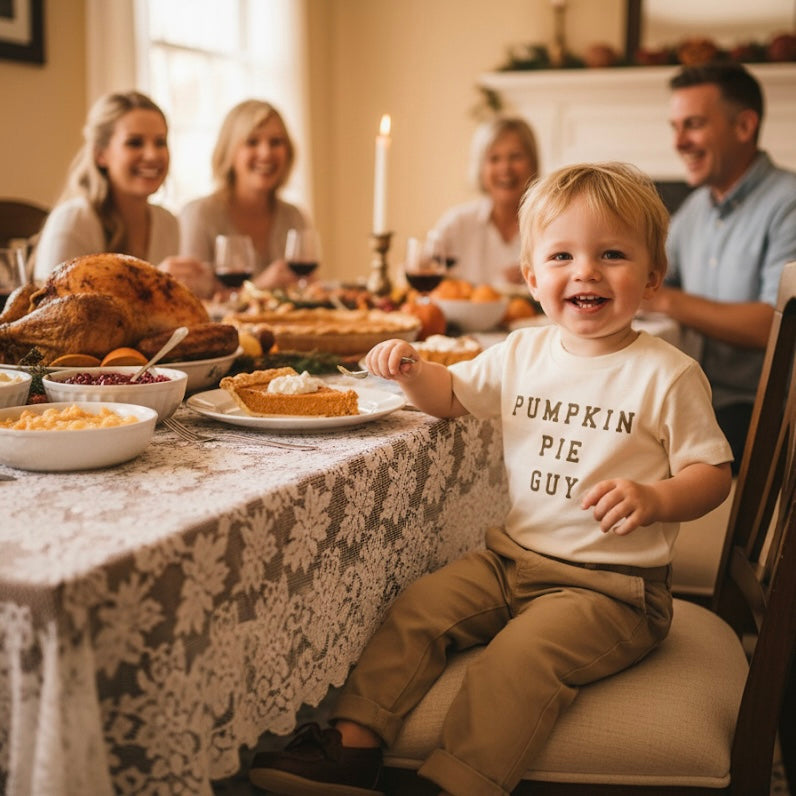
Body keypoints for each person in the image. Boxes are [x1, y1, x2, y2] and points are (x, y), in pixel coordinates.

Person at [248, 163, 733, 796]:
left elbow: (714, 474)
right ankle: (354, 746)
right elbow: (451, 396)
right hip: (511, 561)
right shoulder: (523, 352)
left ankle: (460, 780)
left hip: (613, 589)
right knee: (418, 609)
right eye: (562, 256)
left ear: (651, 276)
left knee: (518, 659)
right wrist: (411, 369)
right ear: (533, 279)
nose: (585, 271)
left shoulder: (666, 374)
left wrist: (656, 495)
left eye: (611, 254)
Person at [644, 62, 796, 471]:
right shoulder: (696, 209)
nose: (679, 142)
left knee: (626, 447)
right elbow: (651, 276)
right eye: (674, 126)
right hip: (701, 395)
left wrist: (667, 301)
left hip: (763, 412)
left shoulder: (789, 202)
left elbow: (774, 325)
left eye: (692, 124)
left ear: (745, 126)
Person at [32, 91, 212, 294]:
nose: (152, 155)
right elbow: (53, 313)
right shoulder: (74, 221)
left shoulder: (167, 222)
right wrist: (149, 282)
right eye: (135, 142)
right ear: (101, 155)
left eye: (160, 142)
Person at [177, 99, 312, 292]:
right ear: (229, 152)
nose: (266, 153)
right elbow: (191, 301)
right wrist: (258, 288)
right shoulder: (199, 215)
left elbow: (303, 292)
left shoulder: (293, 217)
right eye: (252, 142)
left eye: (276, 142)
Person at [430, 115, 539, 286]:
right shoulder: (457, 224)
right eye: (494, 159)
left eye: (516, 156)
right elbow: (421, 269)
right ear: (480, 168)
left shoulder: (547, 225)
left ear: (533, 163)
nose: (505, 168)